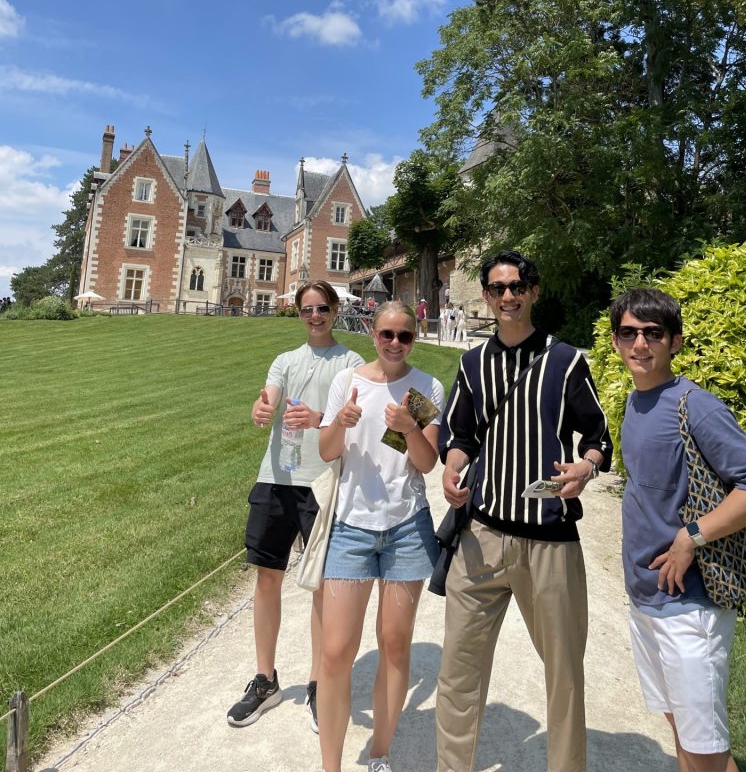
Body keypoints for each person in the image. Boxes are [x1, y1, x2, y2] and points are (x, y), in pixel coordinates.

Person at [435, 248, 613, 772]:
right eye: (497, 288)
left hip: (549, 540)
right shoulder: (473, 364)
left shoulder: (565, 360)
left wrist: (587, 467)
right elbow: (461, 434)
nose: (507, 296)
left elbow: (599, 435)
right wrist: (451, 465)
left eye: (516, 286)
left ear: (533, 292)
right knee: (457, 673)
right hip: (481, 537)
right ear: (486, 296)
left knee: (563, 675)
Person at [610, 287, 746, 772]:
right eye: (629, 333)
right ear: (616, 342)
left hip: (689, 606)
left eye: (653, 334)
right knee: (685, 731)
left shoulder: (694, 405)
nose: (640, 344)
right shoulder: (636, 404)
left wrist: (690, 537)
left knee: (704, 750)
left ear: (675, 342)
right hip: (646, 598)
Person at [227, 281, 364, 732]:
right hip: (276, 477)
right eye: (307, 309)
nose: (314, 316)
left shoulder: (352, 363)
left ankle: (318, 684)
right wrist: (259, 409)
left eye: (322, 308)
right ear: (299, 314)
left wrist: (320, 418)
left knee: (321, 587)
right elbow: (267, 396)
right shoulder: (285, 360)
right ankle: (266, 681)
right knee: (268, 577)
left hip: (324, 482)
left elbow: (357, 424)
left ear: (335, 310)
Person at [317, 302, 445, 772]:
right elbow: (328, 450)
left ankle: (379, 754)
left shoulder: (425, 387)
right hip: (352, 527)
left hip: (406, 528)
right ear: (372, 333)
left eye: (405, 336)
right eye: (387, 334)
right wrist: (339, 423)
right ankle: (331, 764)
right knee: (335, 651)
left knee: (394, 642)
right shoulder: (347, 381)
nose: (395, 343)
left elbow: (426, 463)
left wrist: (411, 428)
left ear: (416, 337)